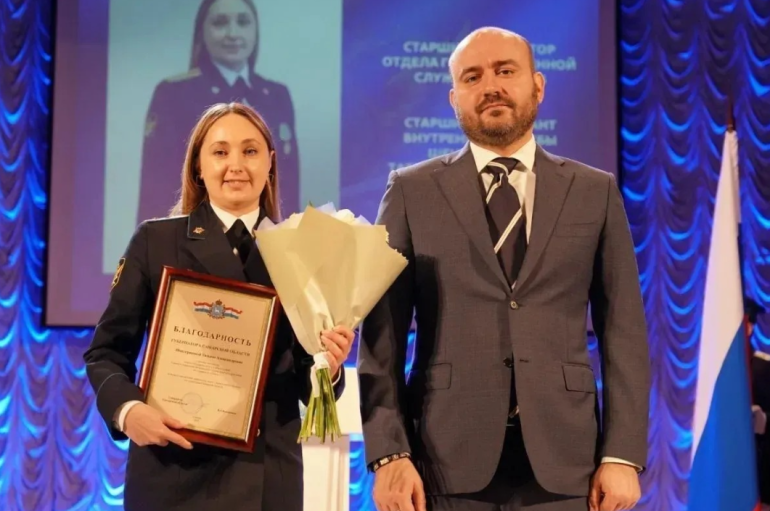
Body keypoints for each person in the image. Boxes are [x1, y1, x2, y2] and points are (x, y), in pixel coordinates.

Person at [358, 27, 651, 511]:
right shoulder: (410, 191)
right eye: (472, 77)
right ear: (454, 98)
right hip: (443, 460)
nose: (490, 86)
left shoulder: (594, 191)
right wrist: (389, 453)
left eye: (505, 71)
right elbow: (381, 335)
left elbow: (624, 332)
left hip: (567, 464)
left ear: (538, 85)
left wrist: (622, 455)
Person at [84, 102, 353, 511]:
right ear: (199, 166)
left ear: (270, 163)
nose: (236, 165)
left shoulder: (300, 251)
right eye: (220, 152)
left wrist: (328, 367)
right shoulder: (156, 242)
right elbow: (105, 352)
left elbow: (305, 378)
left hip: (268, 478)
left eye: (250, 151)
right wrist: (128, 410)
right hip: (174, 473)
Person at [136, 0, 300, 225]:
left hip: (264, 236)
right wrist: (160, 242)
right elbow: (156, 185)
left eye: (243, 22)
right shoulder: (174, 93)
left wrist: (289, 238)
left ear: (256, 30)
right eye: (220, 23)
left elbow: (287, 185)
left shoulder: (276, 95)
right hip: (193, 236)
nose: (233, 33)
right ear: (201, 31)